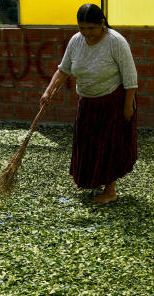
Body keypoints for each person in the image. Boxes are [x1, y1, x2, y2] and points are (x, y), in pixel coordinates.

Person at [40, 4, 139, 205]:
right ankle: (90, 180)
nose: (87, 34)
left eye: (91, 29)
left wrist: (128, 106)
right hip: (87, 101)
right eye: (82, 28)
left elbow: (130, 77)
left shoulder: (116, 42)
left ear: (102, 23)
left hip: (112, 101)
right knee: (87, 144)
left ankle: (110, 190)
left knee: (108, 145)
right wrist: (48, 91)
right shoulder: (76, 41)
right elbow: (63, 70)